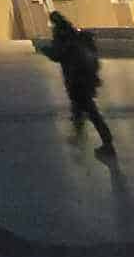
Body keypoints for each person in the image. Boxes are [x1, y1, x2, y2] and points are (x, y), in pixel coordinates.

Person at [42, 12, 115, 158]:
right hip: (86, 78)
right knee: (78, 108)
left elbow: (58, 55)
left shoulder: (62, 36)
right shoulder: (75, 34)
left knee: (91, 112)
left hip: (76, 79)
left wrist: (46, 50)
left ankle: (108, 144)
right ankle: (79, 136)